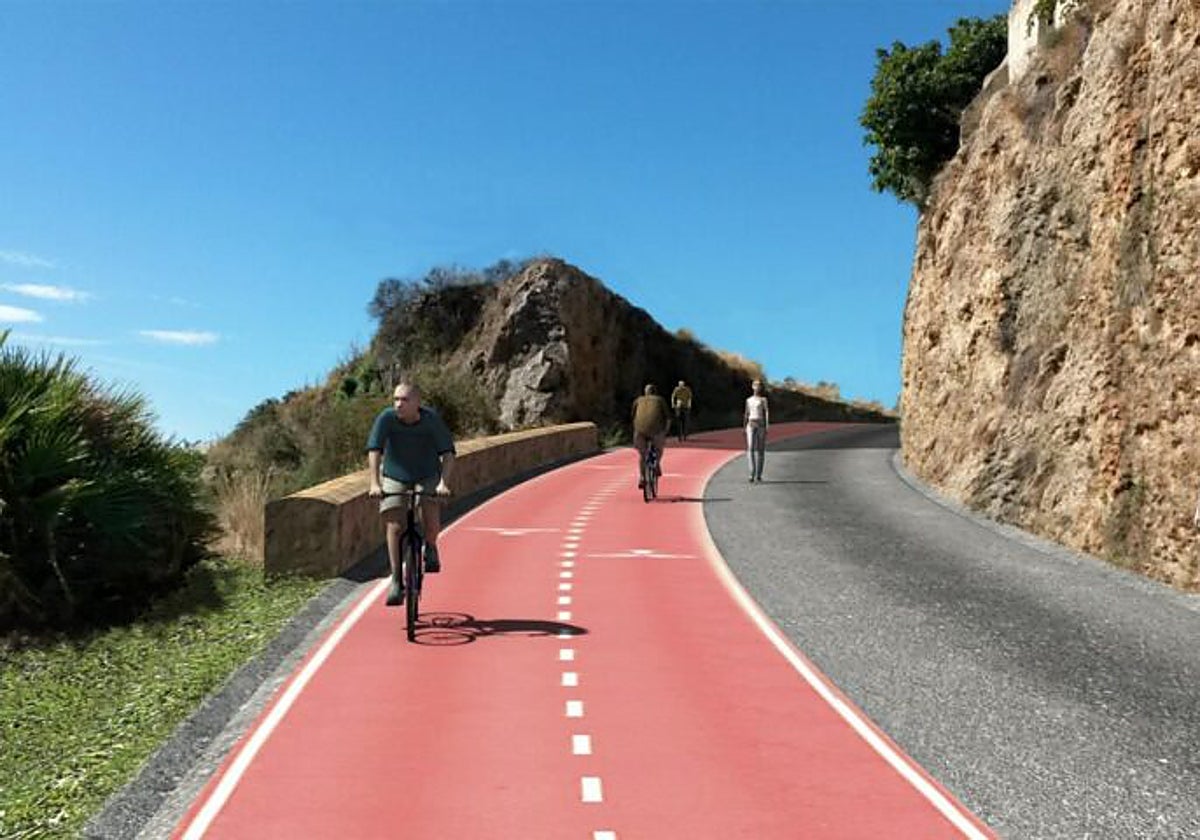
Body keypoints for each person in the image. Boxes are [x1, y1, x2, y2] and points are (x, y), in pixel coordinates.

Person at [367, 382, 456, 606]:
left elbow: (448, 453)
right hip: (395, 475)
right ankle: (397, 580)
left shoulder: (431, 420)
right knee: (394, 526)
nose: (398, 404)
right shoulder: (386, 419)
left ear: (417, 403)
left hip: (427, 474)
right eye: (396, 399)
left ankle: (431, 545)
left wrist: (443, 483)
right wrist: (375, 484)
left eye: (404, 400)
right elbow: (375, 450)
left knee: (430, 514)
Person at [631, 383, 671, 489]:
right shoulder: (660, 400)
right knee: (659, 449)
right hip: (656, 431)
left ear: (645, 392)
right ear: (655, 392)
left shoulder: (638, 400)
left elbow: (633, 417)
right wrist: (665, 432)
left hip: (640, 431)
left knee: (642, 455)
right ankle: (656, 463)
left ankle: (642, 478)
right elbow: (668, 419)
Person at [743, 379, 769, 483]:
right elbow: (746, 413)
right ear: (752, 387)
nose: (757, 387)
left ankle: (759, 474)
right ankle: (751, 473)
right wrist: (744, 426)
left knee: (761, 450)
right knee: (750, 448)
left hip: (761, 424)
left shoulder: (763, 400)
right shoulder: (748, 400)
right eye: (755, 385)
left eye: (759, 385)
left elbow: (766, 412)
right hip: (751, 424)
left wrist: (767, 425)